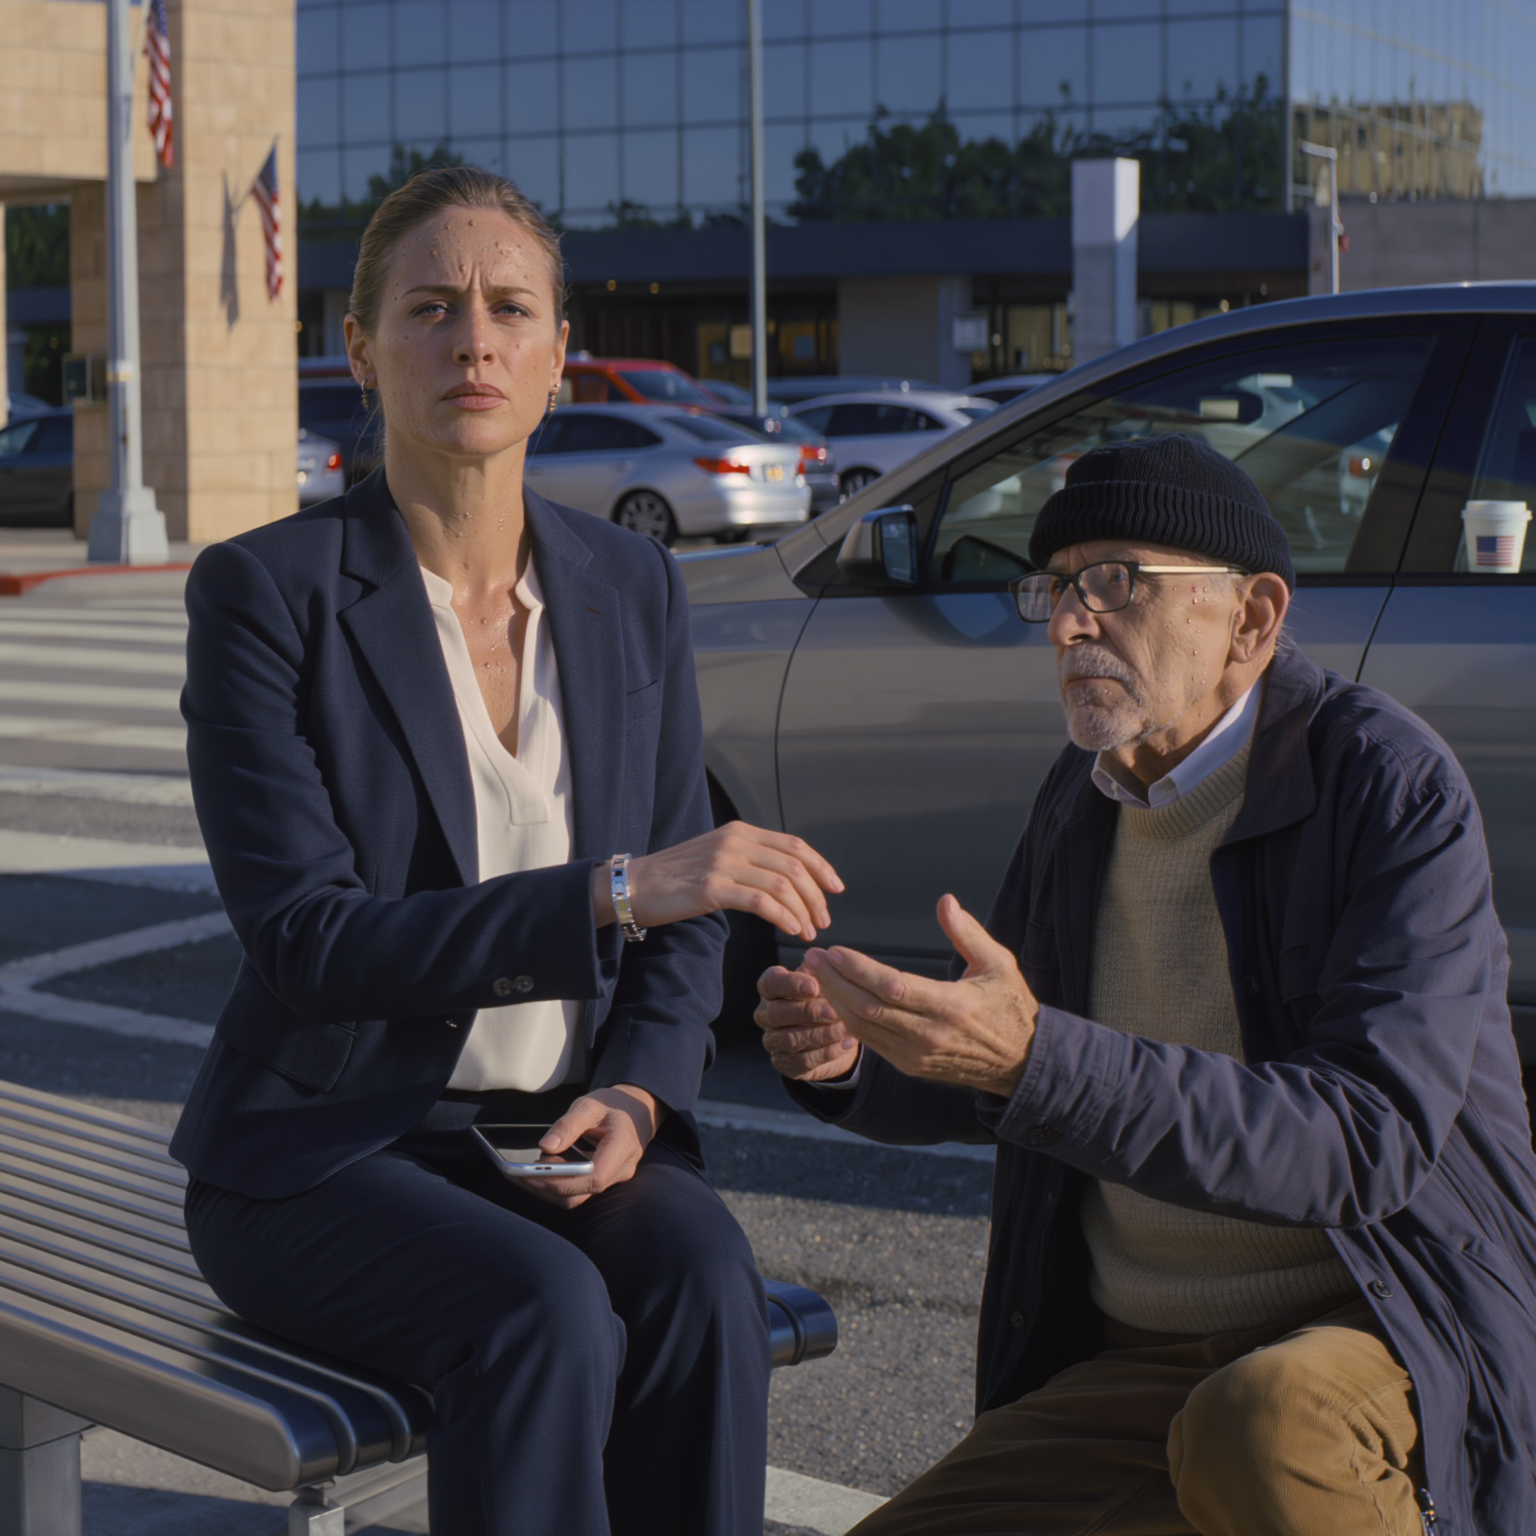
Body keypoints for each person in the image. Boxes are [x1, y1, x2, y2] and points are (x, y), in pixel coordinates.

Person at [170, 166, 842, 1536]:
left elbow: (690, 927)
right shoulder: (265, 596)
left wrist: (646, 1099)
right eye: (429, 306)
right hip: (323, 1152)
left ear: (553, 358)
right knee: (542, 1317)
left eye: (508, 307)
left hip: (552, 1135)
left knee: (708, 1276)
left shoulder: (629, 584)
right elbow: (308, 943)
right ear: (362, 349)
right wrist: (615, 892)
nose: (472, 338)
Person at [757, 435, 1536, 1536]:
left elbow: (1368, 1138)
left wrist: (1035, 1056)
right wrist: (859, 1061)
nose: (1071, 623)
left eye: (1117, 582)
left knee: (1260, 1426)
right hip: (1142, 1360)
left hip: (1380, 1325)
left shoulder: (1386, 785)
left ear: (1251, 619)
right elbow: (1010, 1076)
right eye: (1058, 588)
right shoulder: (1087, 800)